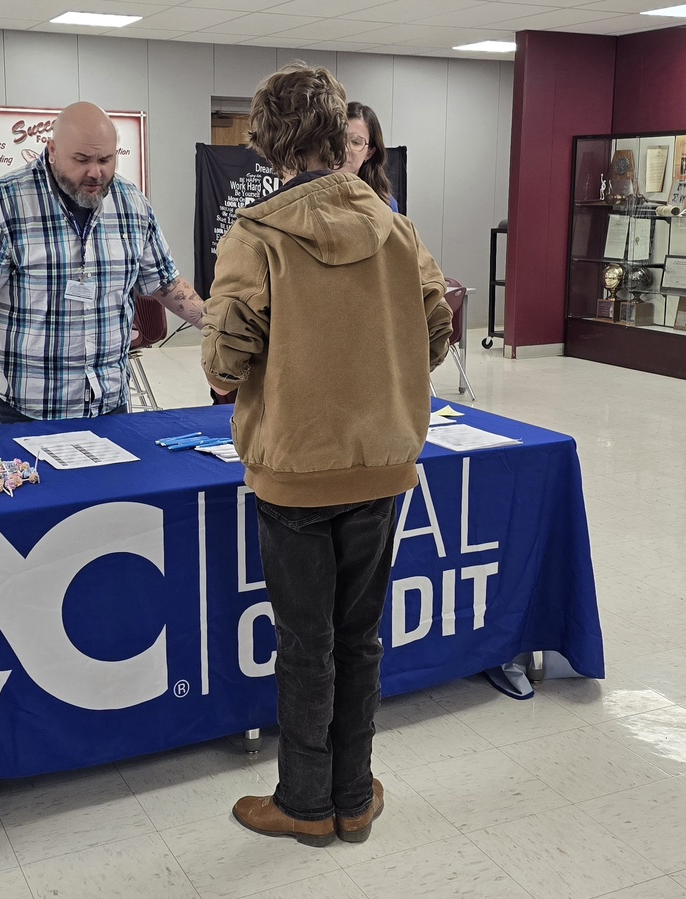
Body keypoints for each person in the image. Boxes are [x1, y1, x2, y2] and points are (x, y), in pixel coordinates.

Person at [201, 64, 451, 847]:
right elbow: (438, 330)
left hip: (294, 471)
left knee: (304, 642)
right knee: (361, 635)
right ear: (338, 133)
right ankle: (353, 793)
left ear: (269, 142)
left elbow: (224, 361)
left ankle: (306, 801)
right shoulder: (396, 225)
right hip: (382, 466)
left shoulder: (256, 233)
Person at [0, 101, 204, 434]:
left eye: (105, 160)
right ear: (52, 150)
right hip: (30, 410)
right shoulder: (4, 202)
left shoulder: (131, 203)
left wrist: (213, 323)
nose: (95, 172)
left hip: (111, 402)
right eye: (82, 160)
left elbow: (165, 283)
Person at [337, 101, 399, 212]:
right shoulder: (309, 189)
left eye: (356, 142)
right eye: (338, 138)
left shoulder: (384, 204)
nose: (344, 149)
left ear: (369, 152)